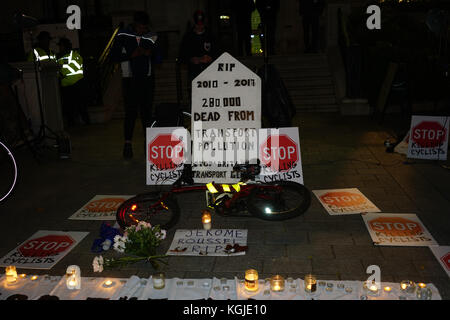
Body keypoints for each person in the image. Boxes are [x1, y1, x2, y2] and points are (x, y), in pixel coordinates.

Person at [111, 11, 157, 159]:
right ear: (135, 24)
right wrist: (130, 56)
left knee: (146, 114)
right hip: (130, 79)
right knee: (130, 113)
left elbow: (160, 56)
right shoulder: (123, 35)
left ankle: (148, 146)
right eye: (140, 27)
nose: (142, 31)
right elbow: (113, 56)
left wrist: (150, 53)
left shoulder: (151, 35)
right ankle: (127, 145)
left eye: (145, 28)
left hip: (147, 79)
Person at [179, 10, 216, 98]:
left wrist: (211, 58)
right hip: (194, 72)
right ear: (194, 23)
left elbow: (218, 52)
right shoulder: (188, 37)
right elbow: (182, 56)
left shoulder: (210, 35)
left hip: (210, 72)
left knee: (211, 95)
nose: (200, 26)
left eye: (201, 24)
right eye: (198, 24)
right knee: (195, 97)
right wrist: (191, 59)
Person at [57, 37, 90, 127]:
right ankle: (83, 122)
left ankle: (76, 123)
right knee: (77, 105)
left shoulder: (67, 57)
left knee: (73, 106)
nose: (59, 48)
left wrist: (59, 72)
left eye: (60, 46)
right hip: (75, 84)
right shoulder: (74, 55)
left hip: (72, 85)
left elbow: (62, 69)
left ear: (64, 46)